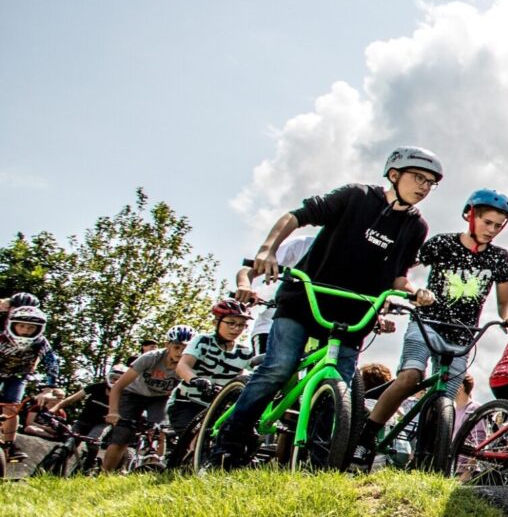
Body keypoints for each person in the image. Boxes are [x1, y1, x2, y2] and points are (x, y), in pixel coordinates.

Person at [212, 147, 440, 462]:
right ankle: (229, 442)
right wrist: (267, 249)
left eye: (431, 183)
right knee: (278, 367)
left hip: (352, 313)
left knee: (341, 389)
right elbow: (296, 216)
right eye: (418, 178)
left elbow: (397, 276)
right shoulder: (356, 196)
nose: (424, 187)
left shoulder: (416, 227)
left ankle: (318, 460)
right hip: (304, 300)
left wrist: (415, 291)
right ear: (393, 174)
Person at [358, 188, 508, 450]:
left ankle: (428, 454)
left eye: (499, 226)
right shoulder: (442, 243)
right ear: (471, 216)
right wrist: (414, 291)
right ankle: (366, 435)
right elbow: (400, 274)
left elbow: (505, 302)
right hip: (427, 324)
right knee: (411, 377)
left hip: (463, 335)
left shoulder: (500, 258)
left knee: (447, 398)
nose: (492, 230)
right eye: (487, 222)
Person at [164, 300, 255, 465]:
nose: (236, 329)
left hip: (216, 406)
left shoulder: (245, 352)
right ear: (216, 322)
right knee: (199, 441)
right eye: (231, 323)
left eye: (242, 325)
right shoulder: (202, 341)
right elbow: (183, 366)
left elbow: (253, 375)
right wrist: (196, 379)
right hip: (186, 402)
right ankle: (193, 467)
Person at [101, 329, 192, 471]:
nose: (180, 352)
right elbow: (118, 386)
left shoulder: (188, 364)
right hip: (133, 394)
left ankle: (153, 465)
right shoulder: (150, 357)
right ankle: (104, 473)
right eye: (176, 347)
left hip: (160, 398)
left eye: (185, 349)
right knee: (122, 435)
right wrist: (113, 412)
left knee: (160, 430)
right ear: (167, 345)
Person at [0, 294, 60, 467]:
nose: (26, 330)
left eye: (30, 327)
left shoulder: (40, 341)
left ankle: (10, 445)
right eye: (21, 325)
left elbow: (52, 362)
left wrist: (49, 388)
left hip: (18, 375)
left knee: (11, 406)